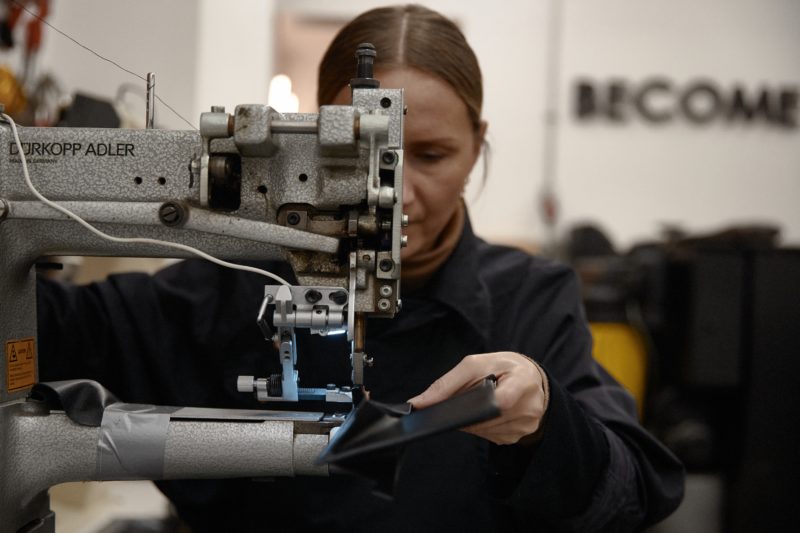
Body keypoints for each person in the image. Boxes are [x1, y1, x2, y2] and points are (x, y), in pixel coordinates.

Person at [37, 4, 684, 532]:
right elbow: (53, 327)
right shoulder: (226, 286)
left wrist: (546, 421)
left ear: (478, 143)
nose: (397, 193)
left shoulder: (532, 301)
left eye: (431, 155)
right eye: (363, 160)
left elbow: (633, 494)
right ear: (311, 143)